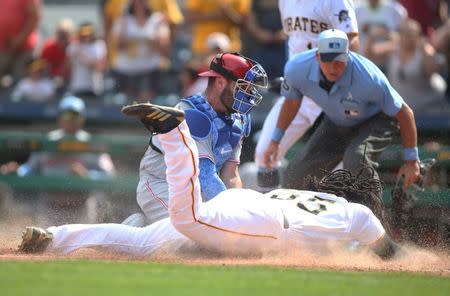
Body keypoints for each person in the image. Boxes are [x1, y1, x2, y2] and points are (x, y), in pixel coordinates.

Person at [19, 102, 400, 260]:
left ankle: (56, 236)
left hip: (250, 206)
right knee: (187, 218)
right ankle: (174, 134)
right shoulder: (358, 216)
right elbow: (387, 252)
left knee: (145, 242)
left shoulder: (302, 194)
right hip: (267, 227)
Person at [263, 29, 420, 198]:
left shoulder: (368, 77)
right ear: (317, 56)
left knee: (357, 159)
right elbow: (292, 102)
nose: (333, 67)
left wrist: (411, 160)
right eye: (328, 59)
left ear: (348, 56)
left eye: (339, 60)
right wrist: (275, 141)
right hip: (338, 120)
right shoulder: (296, 69)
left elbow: (405, 113)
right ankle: (300, 222)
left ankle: (374, 219)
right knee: (296, 173)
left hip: (377, 119)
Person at [122, 52, 268, 226]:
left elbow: (231, 175)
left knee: (212, 236)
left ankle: (146, 225)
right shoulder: (192, 114)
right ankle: (133, 228)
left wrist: (241, 211)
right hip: (161, 183)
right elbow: (205, 176)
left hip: (196, 191)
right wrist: (234, 216)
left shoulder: (239, 118)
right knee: (189, 235)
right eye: (243, 87)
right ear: (221, 82)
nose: (249, 94)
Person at [254, 0, 360, 191]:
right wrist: (291, 73)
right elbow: (295, 40)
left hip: (332, 92)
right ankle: (272, 217)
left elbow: (352, 41)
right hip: (299, 91)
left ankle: (341, 218)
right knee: (264, 155)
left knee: (337, 170)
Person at [1, 96, 116, 223]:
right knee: (47, 242)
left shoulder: (92, 143)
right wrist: (18, 171)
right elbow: (30, 168)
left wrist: (87, 175)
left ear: (82, 119)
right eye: (67, 115)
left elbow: (109, 175)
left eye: (75, 116)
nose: (71, 120)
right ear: (59, 118)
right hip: (49, 209)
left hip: (81, 210)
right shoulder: (48, 141)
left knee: (82, 243)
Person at [111, 0, 171, 102]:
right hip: (126, 71)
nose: (140, 3)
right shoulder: (123, 19)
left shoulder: (157, 19)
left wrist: (153, 37)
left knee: (147, 104)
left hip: (150, 71)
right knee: (129, 105)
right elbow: (118, 45)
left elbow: (165, 47)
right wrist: (123, 21)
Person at [0, 0, 41, 81]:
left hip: (23, 48)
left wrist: (19, 39)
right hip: (2, 48)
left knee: (20, 82)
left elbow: (35, 16)